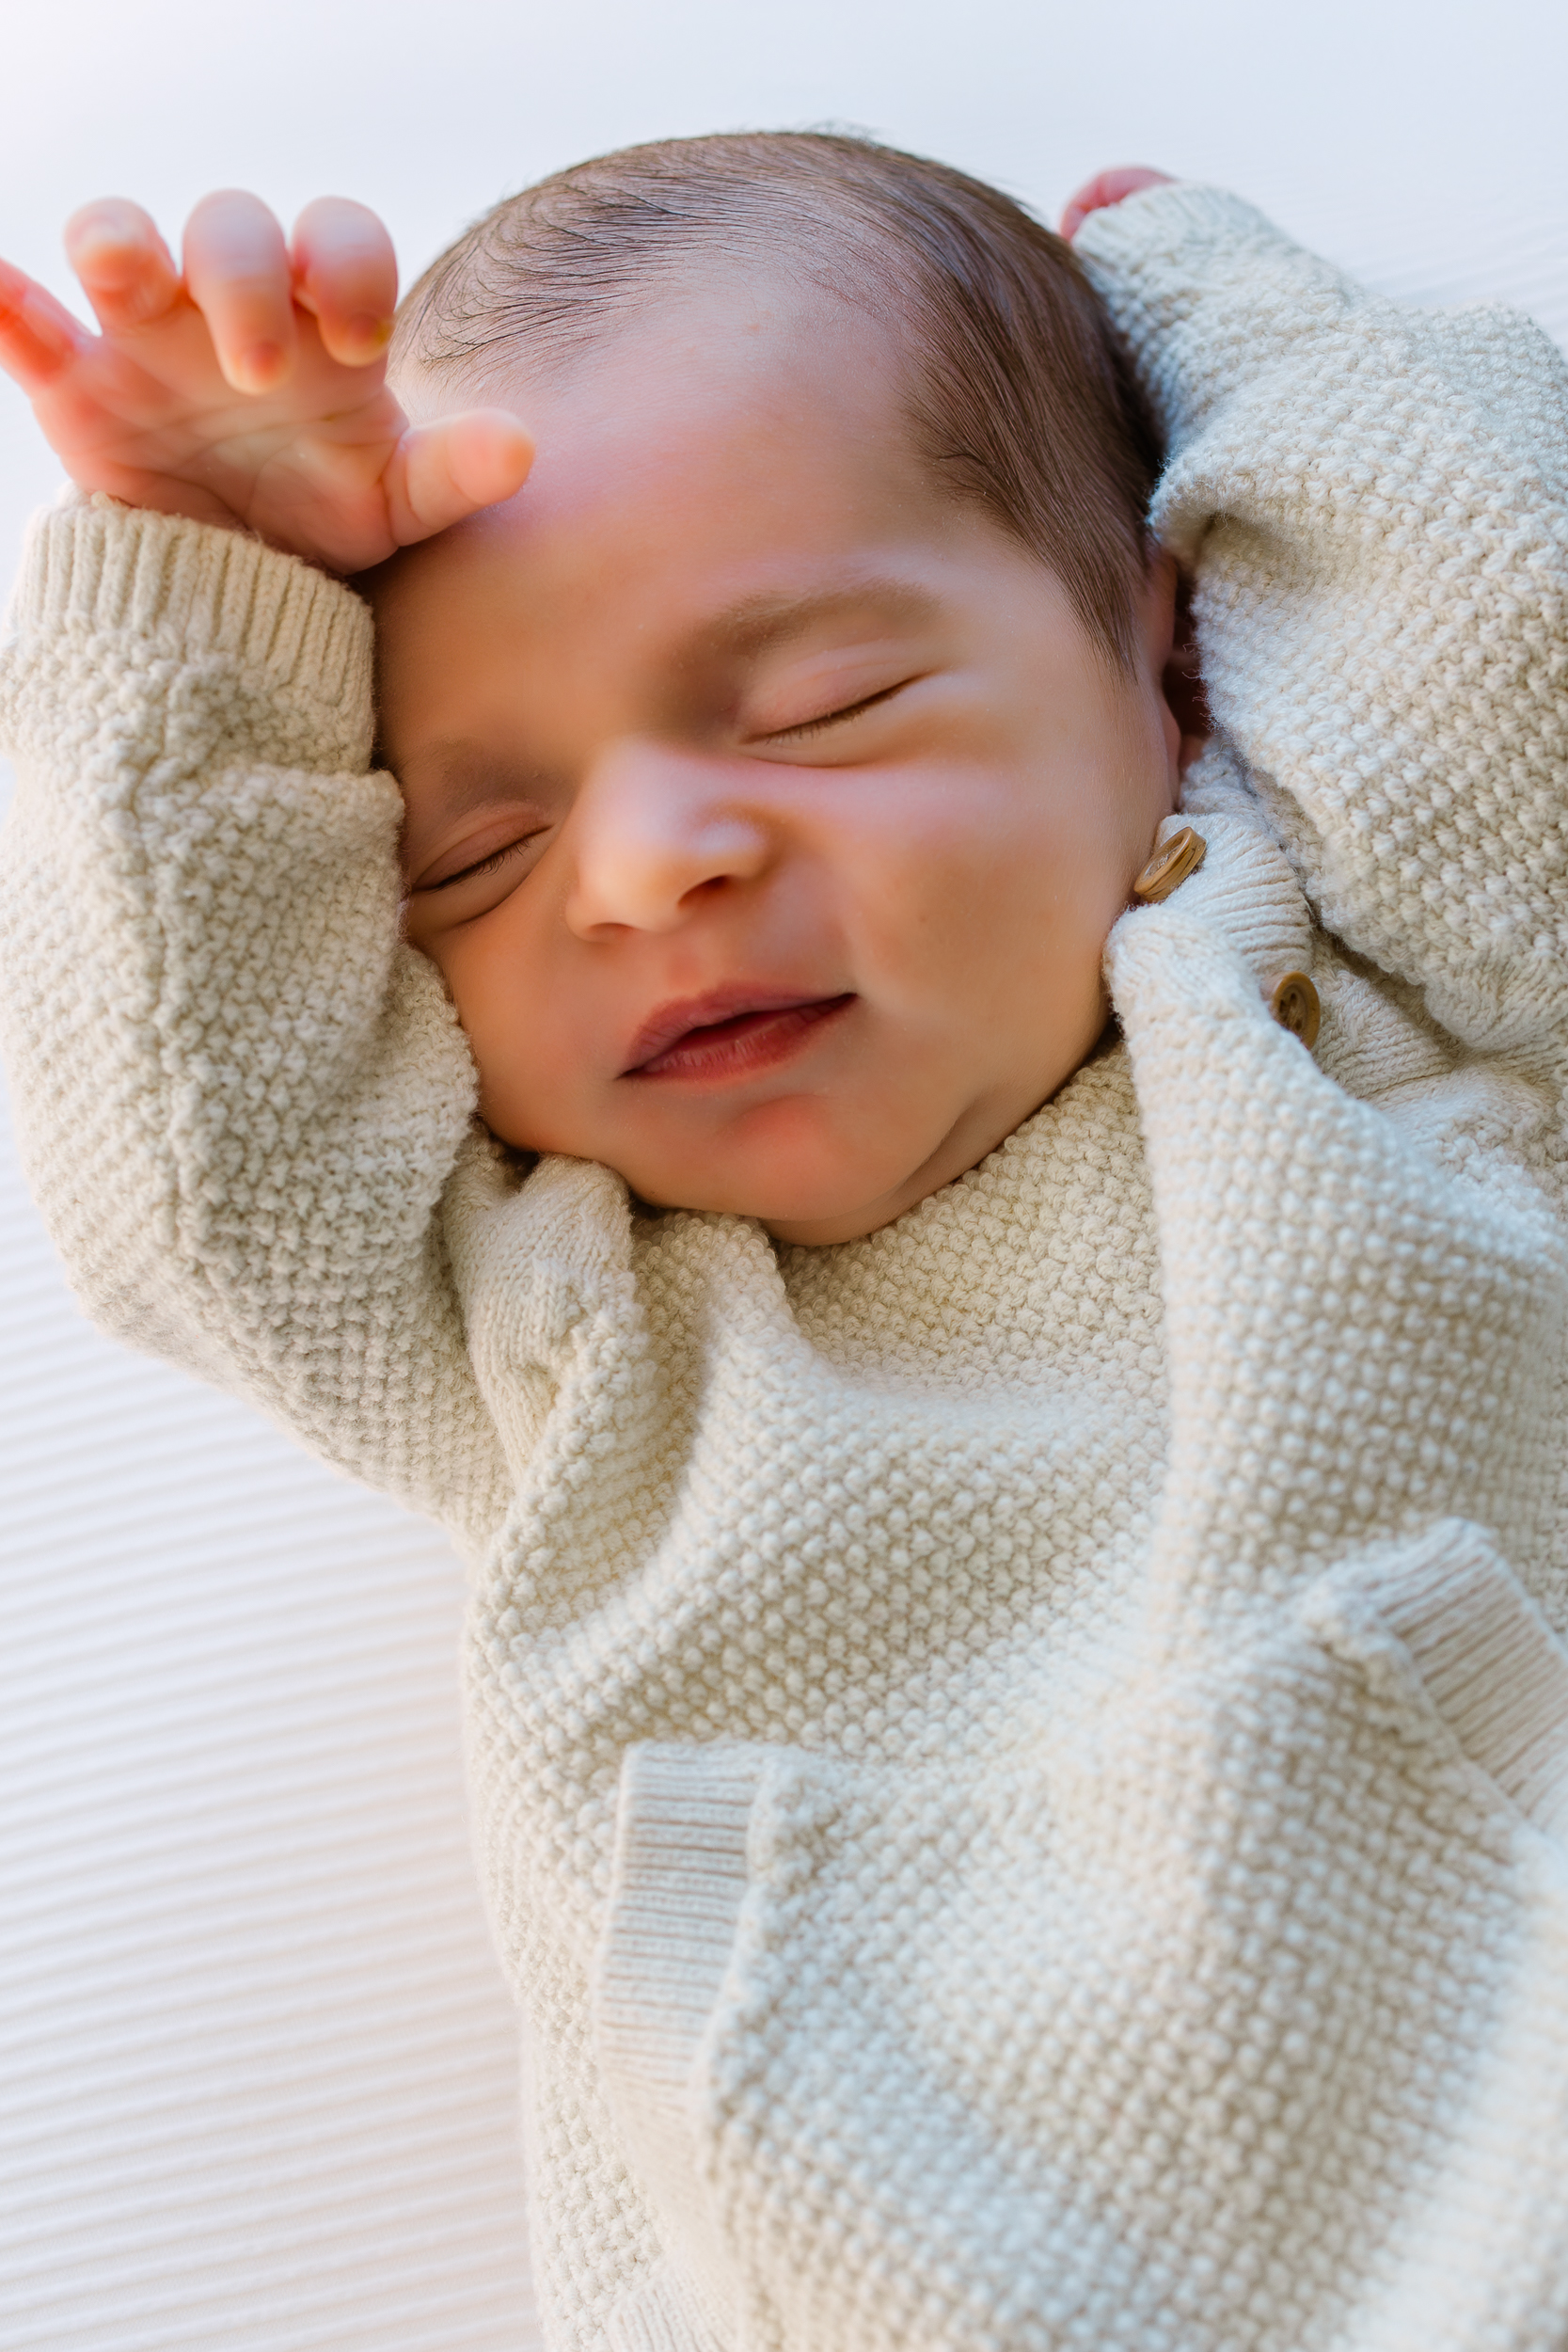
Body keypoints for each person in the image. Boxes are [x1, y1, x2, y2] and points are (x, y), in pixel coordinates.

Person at [2, 131, 1566, 2352]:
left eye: (825, 707)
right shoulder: (547, 1317)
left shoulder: (1373, 1004)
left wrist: (1191, 302)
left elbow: (1515, 633)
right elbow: (183, 1142)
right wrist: (200, 592)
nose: (645, 866)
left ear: (1167, 659)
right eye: (477, 851)